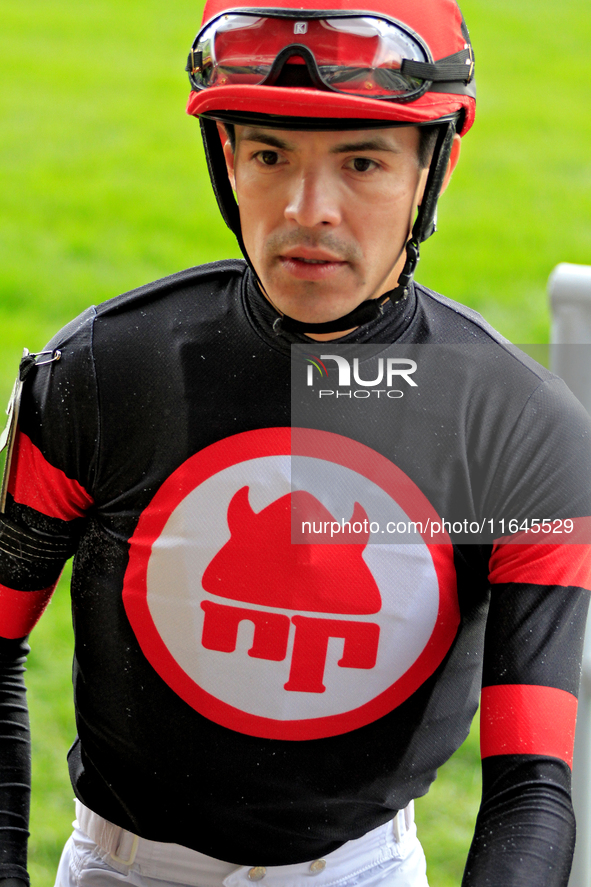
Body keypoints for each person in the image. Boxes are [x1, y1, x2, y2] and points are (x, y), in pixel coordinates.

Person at [0, 0, 590, 885]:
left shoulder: (526, 431)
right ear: (225, 158)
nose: (308, 210)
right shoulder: (97, 371)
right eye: (269, 154)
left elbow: (531, 787)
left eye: (361, 161)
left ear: (438, 163)